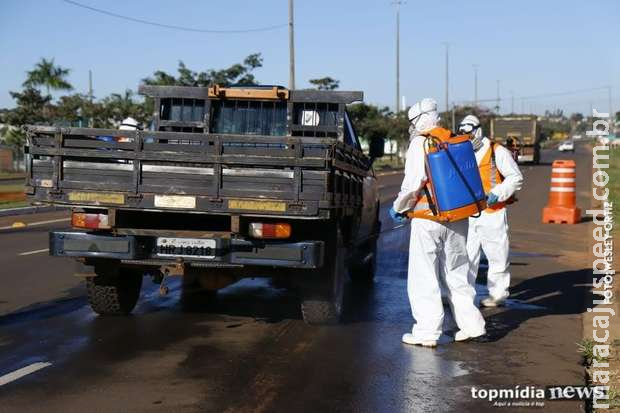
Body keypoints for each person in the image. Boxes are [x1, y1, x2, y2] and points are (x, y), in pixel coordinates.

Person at [390, 99, 486, 347]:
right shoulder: (454, 139)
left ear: (420, 120)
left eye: (412, 122)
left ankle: (427, 332)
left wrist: (399, 208)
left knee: (424, 276)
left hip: (428, 220)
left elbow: (413, 184)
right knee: (457, 272)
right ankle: (472, 326)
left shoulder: (420, 143)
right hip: (459, 217)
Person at [458, 115, 523, 307]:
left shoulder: (497, 151)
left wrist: (498, 192)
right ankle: (464, 295)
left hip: (492, 212)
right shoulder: (462, 153)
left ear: (477, 131)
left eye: (469, 134)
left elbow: (515, 177)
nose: (466, 138)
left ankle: (497, 295)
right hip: (468, 214)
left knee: (497, 255)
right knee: (465, 256)